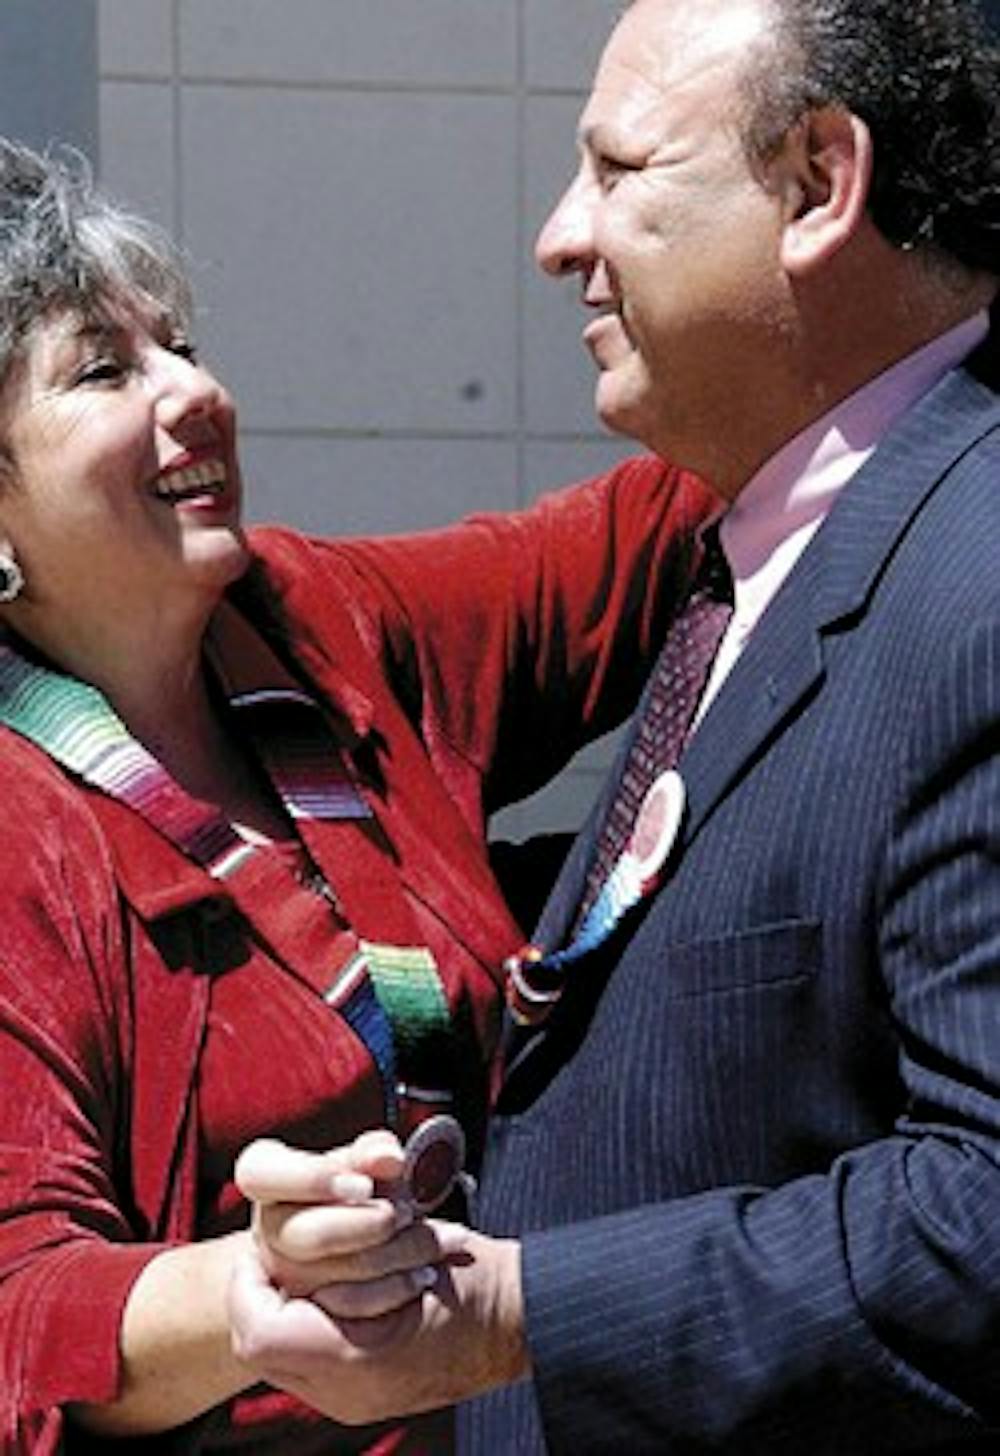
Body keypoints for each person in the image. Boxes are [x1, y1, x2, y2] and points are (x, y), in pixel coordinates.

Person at [225, 0, 1000, 1451]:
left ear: (822, 182)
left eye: (622, 169)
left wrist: (522, 1312)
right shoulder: (761, 545)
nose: (559, 236)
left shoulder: (973, 575)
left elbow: (981, 1214)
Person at [0, 137, 718, 1454]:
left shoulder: (308, 614)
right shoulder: (15, 824)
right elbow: (18, 1302)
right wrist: (246, 1294)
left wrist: (786, 289)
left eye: (183, 346)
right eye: (106, 370)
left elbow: (636, 542)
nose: (198, 392)